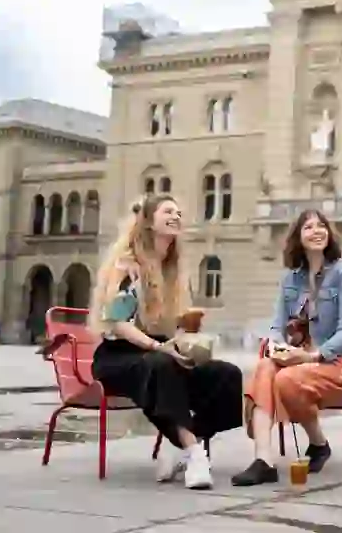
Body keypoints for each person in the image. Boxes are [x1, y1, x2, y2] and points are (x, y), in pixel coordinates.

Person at [88, 195, 243, 490]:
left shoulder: (174, 270)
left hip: (161, 350)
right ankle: (194, 452)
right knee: (162, 366)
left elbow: (173, 328)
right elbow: (118, 322)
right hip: (119, 355)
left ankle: (183, 446)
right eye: (168, 211)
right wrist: (158, 347)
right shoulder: (128, 264)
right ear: (149, 221)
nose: (176, 216)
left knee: (227, 375)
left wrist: (188, 337)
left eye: (179, 212)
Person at [231, 209, 342, 487]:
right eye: (308, 227)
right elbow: (276, 325)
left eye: (321, 226)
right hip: (299, 361)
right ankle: (263, 460)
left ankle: (318, 443)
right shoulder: (290, 280)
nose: (316, 231)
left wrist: (312, 355)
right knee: (265, 366)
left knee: (287, 379)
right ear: (298, 237)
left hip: (339, 362)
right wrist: (277, 346)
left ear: (329, 233)